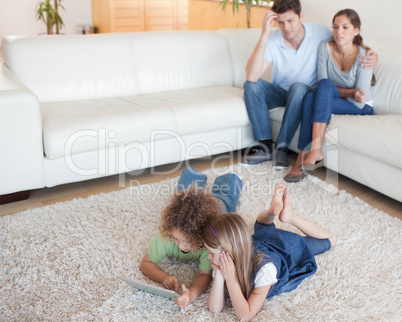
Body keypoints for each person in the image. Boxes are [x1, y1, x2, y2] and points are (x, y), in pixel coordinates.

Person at [241, 0, 377, 170]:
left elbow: (345, 41)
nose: (286, 27)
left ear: (301, 16)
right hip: (282, 92)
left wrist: (373, 56)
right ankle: (265, 146)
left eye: (290, 21)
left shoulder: (320, 32)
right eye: (281, 22)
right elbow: (252, 76)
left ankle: (282, 148)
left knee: (298, 88)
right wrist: (264, 35)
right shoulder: (274, 38)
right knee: (251, 85)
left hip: (303, 92)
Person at [202, 183, 336, 321]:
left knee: (331, 240)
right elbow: (214, 309)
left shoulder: (265, 270)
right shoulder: (225, 262)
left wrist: (230, 280)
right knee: (262, 226)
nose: (208, 256)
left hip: (286, 249)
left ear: (229, 252)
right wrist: (219, 274)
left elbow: (245, 315)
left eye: (212, 253)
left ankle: (290, 217)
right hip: (262, 241)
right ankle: (272, 211)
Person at [286, 9, 375, 182]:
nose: (339, 31)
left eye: (345, 27)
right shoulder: (325, 48)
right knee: (315, 94)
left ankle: (308, 154)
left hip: (361, 106)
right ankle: (310, 152)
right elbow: (323, 83)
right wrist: (348, 92)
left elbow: (359, 99)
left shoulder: (364, 57)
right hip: (334, 97)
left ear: (356, 30)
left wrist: (344, 94)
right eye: (335, 27)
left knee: (315, 96)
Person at [140, 167, 243, 308]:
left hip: (215, 217)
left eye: (188, 242)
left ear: (201, 236)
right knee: (184, 196)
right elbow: (145, 263)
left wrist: (191, 295)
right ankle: (192, 173)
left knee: (223, 204)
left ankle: (232, 178)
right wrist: (163, 277)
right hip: (184, 213)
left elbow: (204, 275)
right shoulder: (166, 235)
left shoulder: (208, 243)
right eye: (175, 239)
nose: (181, 246)